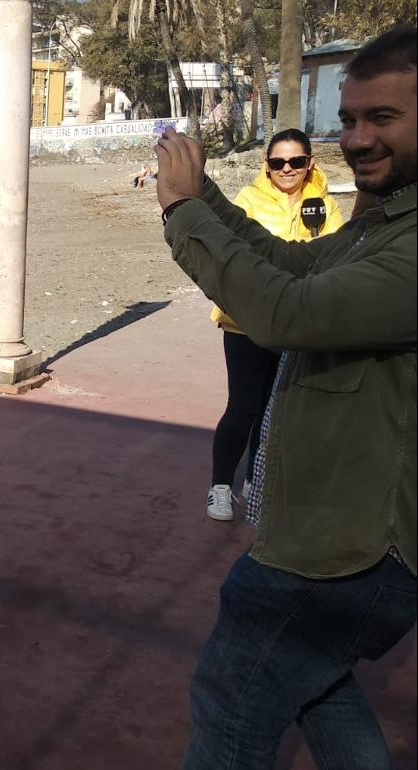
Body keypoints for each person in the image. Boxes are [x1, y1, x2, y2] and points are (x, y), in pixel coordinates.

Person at [155, 25, 416, 769]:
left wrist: (181, 215)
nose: (357, 139)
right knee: (316, 689)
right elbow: (290, 264)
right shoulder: (387, 222)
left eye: (384, 119)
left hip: (348, 552)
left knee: (230, 710)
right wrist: (198, 191)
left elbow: (285, 313)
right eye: (350, 119)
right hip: (331, 537)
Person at [204, 128, 345, 521]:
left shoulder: (325, 205)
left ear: (310, 163)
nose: (287, 169)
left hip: (295, 321)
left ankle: (255, 482)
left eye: (296, 161)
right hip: (245, 322)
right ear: (266, 165)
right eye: (278, 162)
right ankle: (219, 486)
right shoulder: (248, 201)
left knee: (272, 409)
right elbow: (231, 253)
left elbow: (333, 256)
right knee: (244, 406)